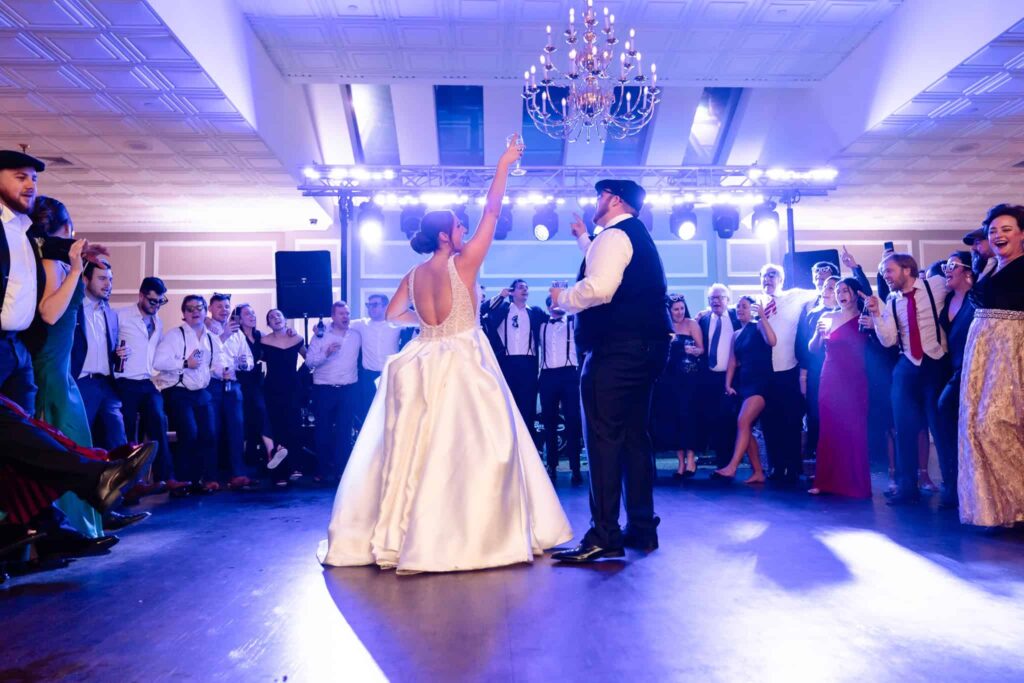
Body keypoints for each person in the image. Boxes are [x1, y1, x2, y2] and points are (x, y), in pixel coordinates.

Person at [319, 135, 571, 573]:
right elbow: (493, 210)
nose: (464, 229)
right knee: (474, 449)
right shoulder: (464, 263)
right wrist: (504, 165)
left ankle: (405, 533)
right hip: (464, 359)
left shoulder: (415, 274)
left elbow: (395, 314)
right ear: (445, 235)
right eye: (458, 226)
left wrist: (426, 324)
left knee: (419, 448)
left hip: (422, 358)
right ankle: (468, 534)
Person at [550, 178, 670, 563]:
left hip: (614, 353)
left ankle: (604, 534)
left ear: (614, 200)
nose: (595, 200)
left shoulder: (614, 237)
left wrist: (562, 299)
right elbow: (609, 267)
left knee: (603, 441)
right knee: (635, 440)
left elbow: (600, 288)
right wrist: (584, 239)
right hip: (644, 351)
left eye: (600, 195)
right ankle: (641, 528)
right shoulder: (630, 236)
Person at [26, 196, 107, 538]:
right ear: (65, 230)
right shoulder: (50, 263)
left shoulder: (57, 260)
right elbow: (50, 312)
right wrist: (75, 269)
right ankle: (58, 529)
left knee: (72, 443)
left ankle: (83, 524)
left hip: (61, 369)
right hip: (50, 368)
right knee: (60, 447)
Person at [863, 253, 955, 506]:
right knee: (903, 429)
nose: (885, 276)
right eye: (883, 273)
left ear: (907, 269)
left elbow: (959, 282)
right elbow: (889, 340)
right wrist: (876, 316)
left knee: (941, 428)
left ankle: (952, 490)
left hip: (936, 362)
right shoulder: (891, 302)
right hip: (907, 366)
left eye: (889, 271)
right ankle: (907, 489)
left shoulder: (934, 285)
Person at [958, 203, 1024, 527]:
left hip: (1011, 351)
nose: (998, 235)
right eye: (993, 230)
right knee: (974, 426)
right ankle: (999, 509)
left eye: (1006, 229)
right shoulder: (989, 267)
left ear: (1022, 234)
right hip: (982, 352)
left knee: (995, 423)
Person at [116, 277, 191, 501]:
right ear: (141, 296)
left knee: (158, 422)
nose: (156, 306)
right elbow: (108, 342)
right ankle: (130, 485)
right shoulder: (120, 316)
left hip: (147, 383)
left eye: (160, 302)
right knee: (129, 433)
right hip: (124, 381)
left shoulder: (157, 322)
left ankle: (166, 477)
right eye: (152, 301)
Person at [808, 278, 870, 498]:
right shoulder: (827, 316)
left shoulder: (865, 318)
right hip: (831, 376)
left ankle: (854, 483)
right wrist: (817, 333)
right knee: (829, 427)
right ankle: (824, 481)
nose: (841, 294)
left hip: (855, 378)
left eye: (845, 290)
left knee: (854, 428)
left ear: (855, 293)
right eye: (838, 290)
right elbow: (813, 348)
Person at [757, 264, 819, 485]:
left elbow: (822, 291)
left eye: (772, 275)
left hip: (789, 370)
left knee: (791, 422)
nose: (768, 279)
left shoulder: (795, 296)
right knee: (769, 422)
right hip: (765, 374)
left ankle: (793, 467)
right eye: (764, 276)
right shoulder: (758, 303)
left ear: (781, 279)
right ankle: (776, 466)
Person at [153, 295, 221, 493]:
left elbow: (218, 362)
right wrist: (185, 363)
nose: (195, 312)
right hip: (178, 390)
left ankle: (204, 479)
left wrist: (225, 370)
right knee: (189, 433)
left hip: (201, 391)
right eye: (190, 309)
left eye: (199, 308)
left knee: (208, 434)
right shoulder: (175, 335)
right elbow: (158, 362)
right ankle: (184, 481)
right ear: (184, 314)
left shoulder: (211, 337)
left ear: (205, 310)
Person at [712, 296, 776, 484]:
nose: (740, 309)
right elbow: (732, 361)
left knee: (743, 421)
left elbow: (772, 341)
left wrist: (763, 317)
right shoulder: (736, 334)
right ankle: (758, 472)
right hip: (744, 384)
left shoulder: (758, 325)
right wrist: (728, 383)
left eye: (745, 306)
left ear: (752, 310)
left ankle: (732, 467)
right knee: (744, 426)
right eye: (738, 306)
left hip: (761, 382)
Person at [484, 279, 547, 443]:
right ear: (512, 291)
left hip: (528, 365)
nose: (525, 290)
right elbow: (481, 313)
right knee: (507, 409)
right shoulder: (502, 310)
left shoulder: (535, 312)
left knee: (528, 409)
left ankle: (530, 452)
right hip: (507, 364)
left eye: (527, 287)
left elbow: (553, 319)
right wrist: (500, 296)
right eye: (520, 287)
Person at [935, 251, 975, 509]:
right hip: (951, 368)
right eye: (945, 265)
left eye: (952, 266)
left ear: (968, 272)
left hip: (973, 369)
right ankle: (953, 485)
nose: (946, 270)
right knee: (948, 427)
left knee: (947, 411)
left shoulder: (977, 299)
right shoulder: (947, 298)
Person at [306, 301, 360, 483]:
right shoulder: (321, 336)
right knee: (323, 431)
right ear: (333, 316)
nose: (345, 316)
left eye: (347, 313)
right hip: (324, 389)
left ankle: (341, 470)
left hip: (348, 389)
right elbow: (309, 362)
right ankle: (322, 469)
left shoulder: (356, 334)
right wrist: (326, 353)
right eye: (341, 314)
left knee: (345, 431)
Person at [649, 295, 703, 478]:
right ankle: (680, 463)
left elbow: (701, 349)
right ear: (669, 311)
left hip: (688, 377)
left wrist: (695, 350)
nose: (679, 312)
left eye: (681, 308)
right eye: (675, 309)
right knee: (674, 419)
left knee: (688, 416)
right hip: (669, 378)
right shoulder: (665, 326)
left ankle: (691, 460)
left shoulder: (692, 324)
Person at [205, 293, 254, 489]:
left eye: (227, 306)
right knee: (213, 430)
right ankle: (210, 477)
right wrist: (224, 335)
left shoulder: (239, 332)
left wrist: (243, 364)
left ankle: (238, 474)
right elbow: (208, 355)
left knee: (237, 429)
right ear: (210, 308)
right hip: (212, 385)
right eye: (219, 306)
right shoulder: (205, 329)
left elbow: (248, 359)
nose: (224, 310)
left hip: (233, 385)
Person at [235, 303, 288, 474]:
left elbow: (277, 342)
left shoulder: (260, 336)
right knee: (252, 419)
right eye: (247, 314)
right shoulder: (236, 335)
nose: (252, 316)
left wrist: (289, 332)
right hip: (240, 383)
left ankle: (267, 455)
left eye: (253, 313)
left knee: (259, 416)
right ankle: (268, 452)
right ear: (239, 318)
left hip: (258, 382)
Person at [538, 294, 582, 485]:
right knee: (549, 424)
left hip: (570, 375)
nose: (557, 307)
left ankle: (575, 467)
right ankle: (552, 466)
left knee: (573, 422)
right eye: (553, 304)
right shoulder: (540, 325)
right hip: (547, 376)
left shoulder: (573, 322)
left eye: (559, 304)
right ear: (548, 307)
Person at [697, 283, 740, 469]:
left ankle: (728, 462)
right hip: (709, 378)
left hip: (733, 378)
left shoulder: (737, 318)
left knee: (730, 419)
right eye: (712, 298)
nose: (716, 301)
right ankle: (720, 461)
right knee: (713, 419)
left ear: (728, 300)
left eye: (720, 297)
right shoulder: (703, 320)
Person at [261, 309, 305, 483]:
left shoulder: (297, 339)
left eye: (278, 315)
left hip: (293, 388)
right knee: (277, 426)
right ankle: (279, 473)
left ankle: (296, 466)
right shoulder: (264, 341)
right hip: (272, 388)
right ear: (269, 324)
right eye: (271, 317)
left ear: (285, 320)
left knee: (293, 426)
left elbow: (308, 357)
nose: (275, 318)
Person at [797, 274, 838, 461]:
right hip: (817, 371)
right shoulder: (813, 314)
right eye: (827, 287)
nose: (828, 290)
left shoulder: (846, 313)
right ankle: (817, 459)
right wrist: (803, 377)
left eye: (833, 288)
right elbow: (805, 349)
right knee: (815, 414)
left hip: (842, 372)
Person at [350, 294, 401, 427]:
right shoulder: (362, 324)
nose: (371, 308)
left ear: (385, 306)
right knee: (369, 413)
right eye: (369, 305)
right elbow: (337, 324)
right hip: (368, 377)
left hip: (390, 375)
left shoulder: (396, 324)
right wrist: (320, 328)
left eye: (375, 304)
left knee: (390, 412)